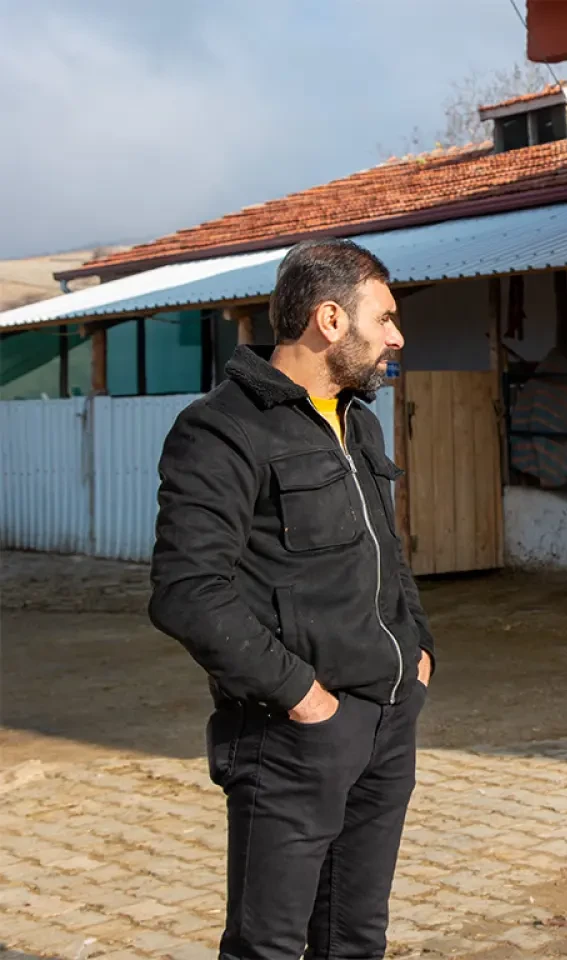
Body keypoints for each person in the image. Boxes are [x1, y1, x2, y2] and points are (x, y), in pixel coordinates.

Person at [149, 238, 435, 960]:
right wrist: (303, 696)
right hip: (292, 733)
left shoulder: (357, 419)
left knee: (356, 938)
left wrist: (419, 651)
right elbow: (188, 592)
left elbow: (388, 556)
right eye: (387, 317)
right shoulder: (222, 429)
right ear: (331, 320)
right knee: (267, 947)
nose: (398, 336)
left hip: (386, 718)